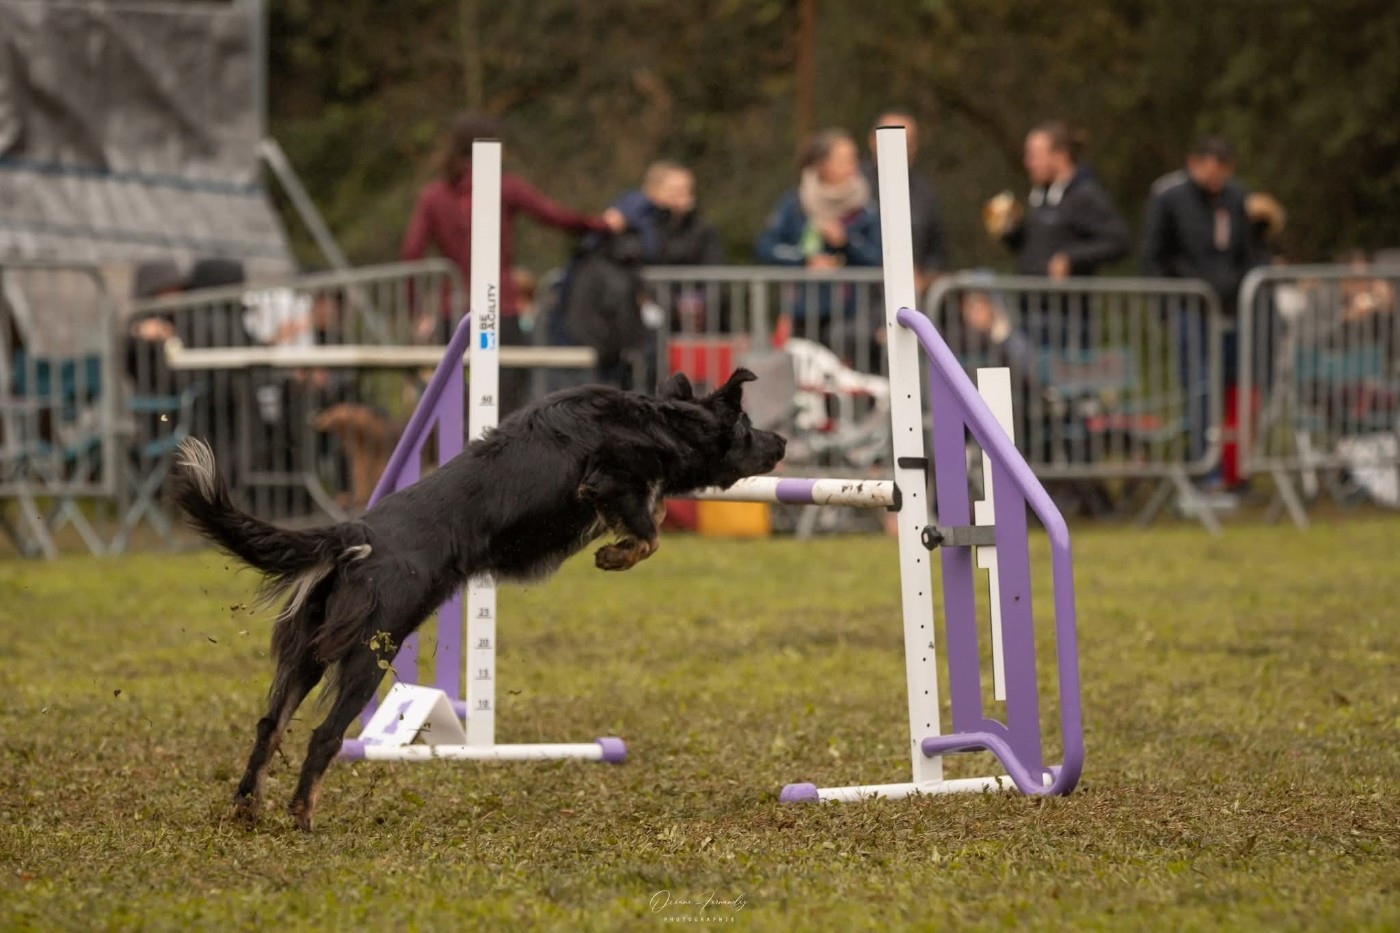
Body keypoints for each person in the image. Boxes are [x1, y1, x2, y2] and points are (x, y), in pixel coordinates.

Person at [401, 113, 622, 414]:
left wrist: (416, 310)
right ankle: (492, 450)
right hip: (498, 305)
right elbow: (553, 216)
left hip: (450, 308)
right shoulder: (504, 187)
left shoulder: (434, 195)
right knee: (510, 384)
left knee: (452, 389)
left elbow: (412, 251)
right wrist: (602, 225)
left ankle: (462, 441)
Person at [1141, 136, 1259, 483]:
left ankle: (1237, 472)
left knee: (1238, 389)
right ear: (1193, 164)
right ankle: (1206, 471)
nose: (1214, 175)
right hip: (1191, 311)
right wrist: (1164, 309)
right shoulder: (1169, 196)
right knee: (1201, 389)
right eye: (1208, 166)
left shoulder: (1238, 196)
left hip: (1235, 312)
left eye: (1222, 167)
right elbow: (1152, 256)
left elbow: (1250, 251)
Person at [755, 129, 882, 363]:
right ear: (822, 165)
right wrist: (805, 260)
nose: (853, 165)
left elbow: (879, 258)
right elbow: (766, 247)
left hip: (851, 316)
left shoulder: (866, 209)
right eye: (844, 159)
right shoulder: (794, 204)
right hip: (803, 314)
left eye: (854, 158)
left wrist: (846, 242)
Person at [991, 122, 1130, 281]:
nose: (1028, 163)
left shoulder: (1085, 195)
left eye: (1034, 155)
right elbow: (1037, 248)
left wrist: (1071, 258)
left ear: (1060, 156)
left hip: (1066, 303)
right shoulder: (1040, 194)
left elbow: (1118, 242)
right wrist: (1011, 232)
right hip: (1032, 301)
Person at [861, 109, 949, 294]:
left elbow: (937, 252)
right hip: (859, 301)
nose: (902, 150)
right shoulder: (854, 186)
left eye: (907, 143)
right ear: (872, 141)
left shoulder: (925, 193)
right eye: (893, 141)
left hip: (909, 298)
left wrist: (924, 279)